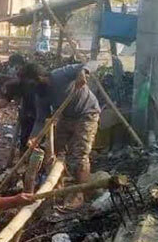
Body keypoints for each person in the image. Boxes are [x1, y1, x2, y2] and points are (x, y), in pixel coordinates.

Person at [20, 60, 101, 210]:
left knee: (80, 154)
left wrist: (84, 72)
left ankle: (80, 194)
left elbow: (94, 62)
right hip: (66, 116)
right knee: (56, 152)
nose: (32, 90)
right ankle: (59, 186)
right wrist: (34, 136)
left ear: (40, 77)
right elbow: (40, 119)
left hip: (87, 113)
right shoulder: (40, 95)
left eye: (32, 85)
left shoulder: (61, 75)